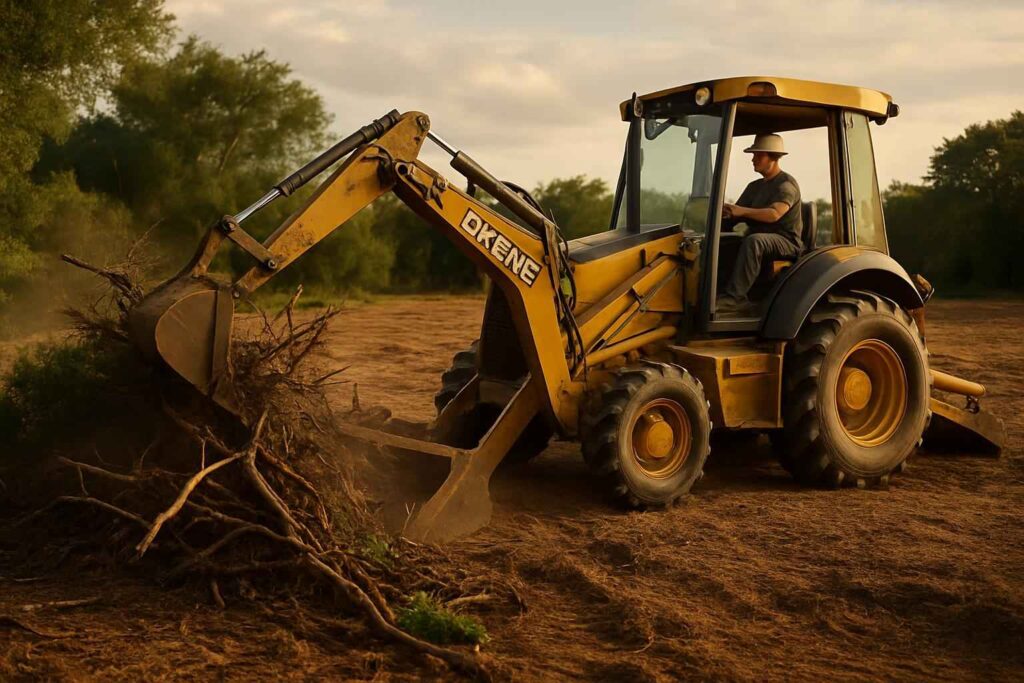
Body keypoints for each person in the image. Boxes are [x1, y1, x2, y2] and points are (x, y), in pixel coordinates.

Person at [717, 133, 803, 315]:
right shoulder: (754, 186)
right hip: (759, 238)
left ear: (773, 157)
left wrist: (742, 211)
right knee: (723, 242)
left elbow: (774, 214)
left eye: (758, 155)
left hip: (786, 241)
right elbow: (736, 212)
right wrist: (724, 217)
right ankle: (715, 292)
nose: (753, 159)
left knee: (755, 241)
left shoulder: (786, 185)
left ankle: (735, 298)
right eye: (753, 155)